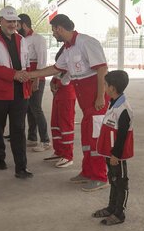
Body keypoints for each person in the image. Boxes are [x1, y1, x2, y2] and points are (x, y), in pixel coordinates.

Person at [27, 14, 109, 192]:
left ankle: (100, 177)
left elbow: (102, 68)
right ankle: (87, 172)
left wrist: (100, 97)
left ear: (60, 28)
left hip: (96, 100)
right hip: (85, 101)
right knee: (87, 138)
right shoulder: (68, 49)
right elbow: (56, 69)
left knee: (96, 139)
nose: (53, 34)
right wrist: (30, 75)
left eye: (54, 30)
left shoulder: (86, 42)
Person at [0, 6, 33, 179]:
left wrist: (29, 80)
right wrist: (14, 74)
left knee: (19, 129)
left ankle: (21, 167)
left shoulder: (22, 40)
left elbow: (25, 64)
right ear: (1, 21)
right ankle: (0, 156)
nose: (12, 24)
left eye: (14, 21)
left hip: (20, 93)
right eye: (9, 21)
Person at [93, 70, 133, 226]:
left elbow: (122, 135)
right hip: (110, 153)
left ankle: (119, 213)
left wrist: (116, 155)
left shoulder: (124, 109)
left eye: (105, 84)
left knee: (121, 182)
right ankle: (111, 207)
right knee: (113, 179)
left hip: (118, 154)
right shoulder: (113, 102)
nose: (103, 87)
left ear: (112, 88)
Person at [18, 13, 51, 152]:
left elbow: (42, 60)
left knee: (36, 108)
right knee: (29, 108)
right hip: (26, 76)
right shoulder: (20, 39)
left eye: (18, 25)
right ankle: (32, 138)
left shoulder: (38, 39)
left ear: (24, 25)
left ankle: (45, 141)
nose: (15, 27)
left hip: (36, 77)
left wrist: (37, 79)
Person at [43, 46, 76, 168]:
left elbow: (66, 79)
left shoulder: (73, 59)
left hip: (67, 95)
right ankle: (59, 151)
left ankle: (68, 156)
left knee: (66, 125)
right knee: (55, 123)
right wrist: (52, 83)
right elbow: (56, 74)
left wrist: (58, 82)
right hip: (58, 95)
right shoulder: (63, 56)